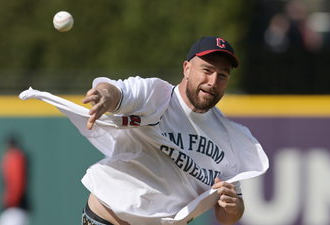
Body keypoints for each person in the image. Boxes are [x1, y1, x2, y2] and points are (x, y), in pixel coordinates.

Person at [78, 36, 268, 225]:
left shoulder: (230, 137)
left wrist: (234, 206)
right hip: (106, 219)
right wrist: (105, 95)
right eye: (207, 70)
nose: (213, 81)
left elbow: (226, 217)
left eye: (222, 75)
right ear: (186, 68)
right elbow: (117, 91)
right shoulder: (155, 95)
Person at [0, 137, 31, 225]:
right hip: (16, 209)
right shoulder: (17, 159)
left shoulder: (16, 159)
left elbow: (17, 184)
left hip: (15, 209)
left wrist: (10, 202)